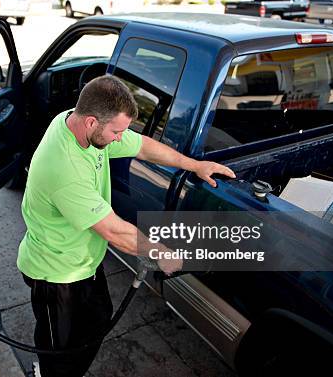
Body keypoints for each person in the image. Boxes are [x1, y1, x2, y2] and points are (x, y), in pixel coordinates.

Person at [17, 75, 235, 377]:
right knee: (61, 353)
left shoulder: (75, 120)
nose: (121, 138)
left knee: (98, 319)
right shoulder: (64, 168)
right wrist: (159, 251)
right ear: (92, 122)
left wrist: (194, 165)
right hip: (56, 274)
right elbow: (113, 231)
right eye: (117, 131)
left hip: (84, 262)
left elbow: (142, 145)